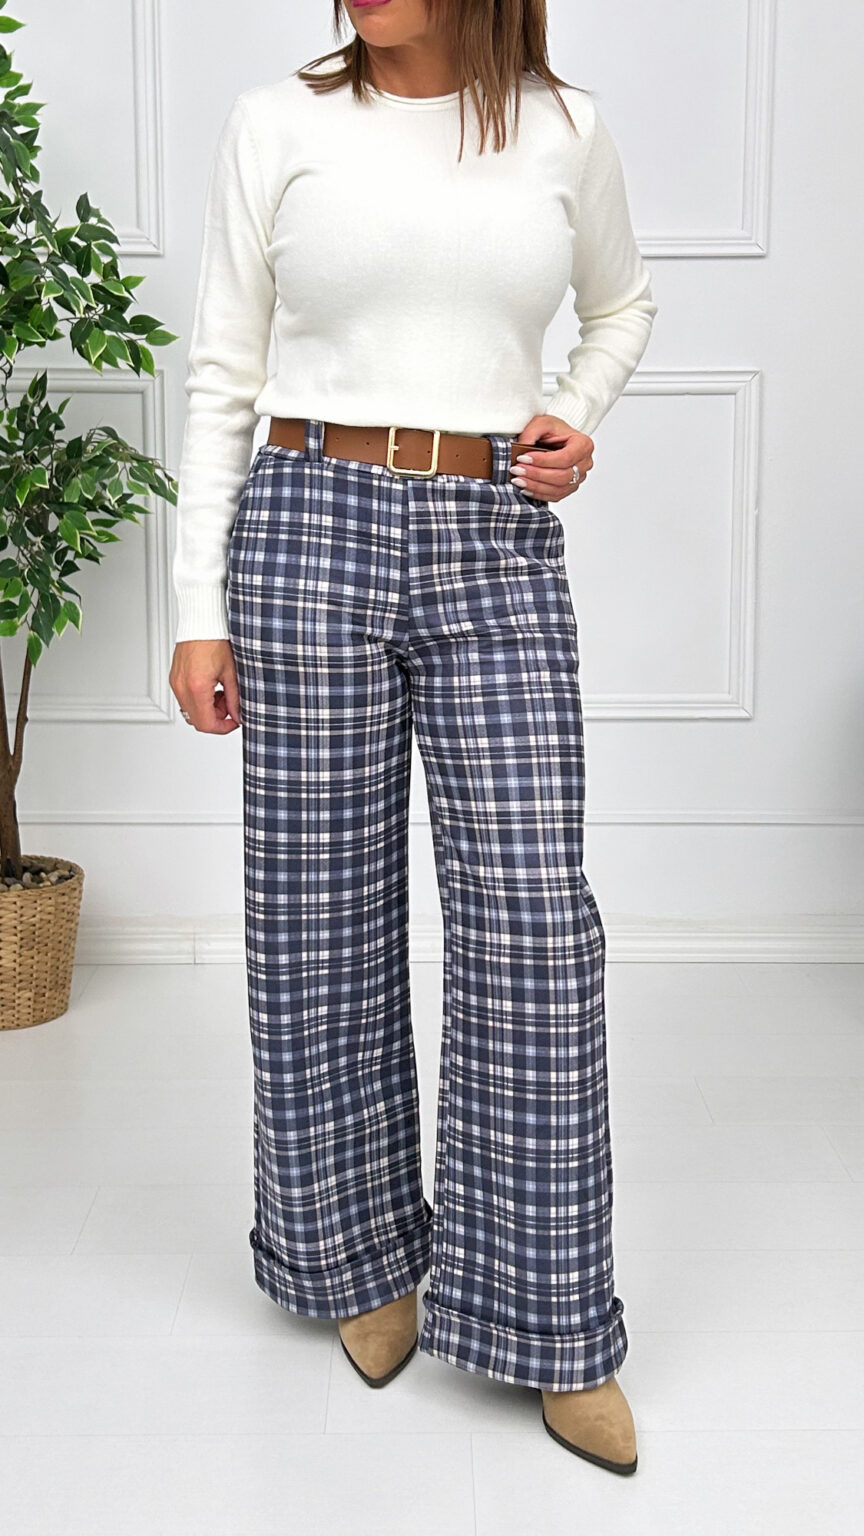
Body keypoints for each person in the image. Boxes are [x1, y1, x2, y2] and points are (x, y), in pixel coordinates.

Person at [169, 0, 657, 1478]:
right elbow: (222, 372)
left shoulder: (566, 130)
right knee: (317, 914)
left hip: (493, 527)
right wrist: (198, 608)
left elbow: (624, 305)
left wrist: (576, 411)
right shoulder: (279, 123)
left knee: (533, 923)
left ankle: (550, 1319)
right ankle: (360, 1259)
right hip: (306, 520)